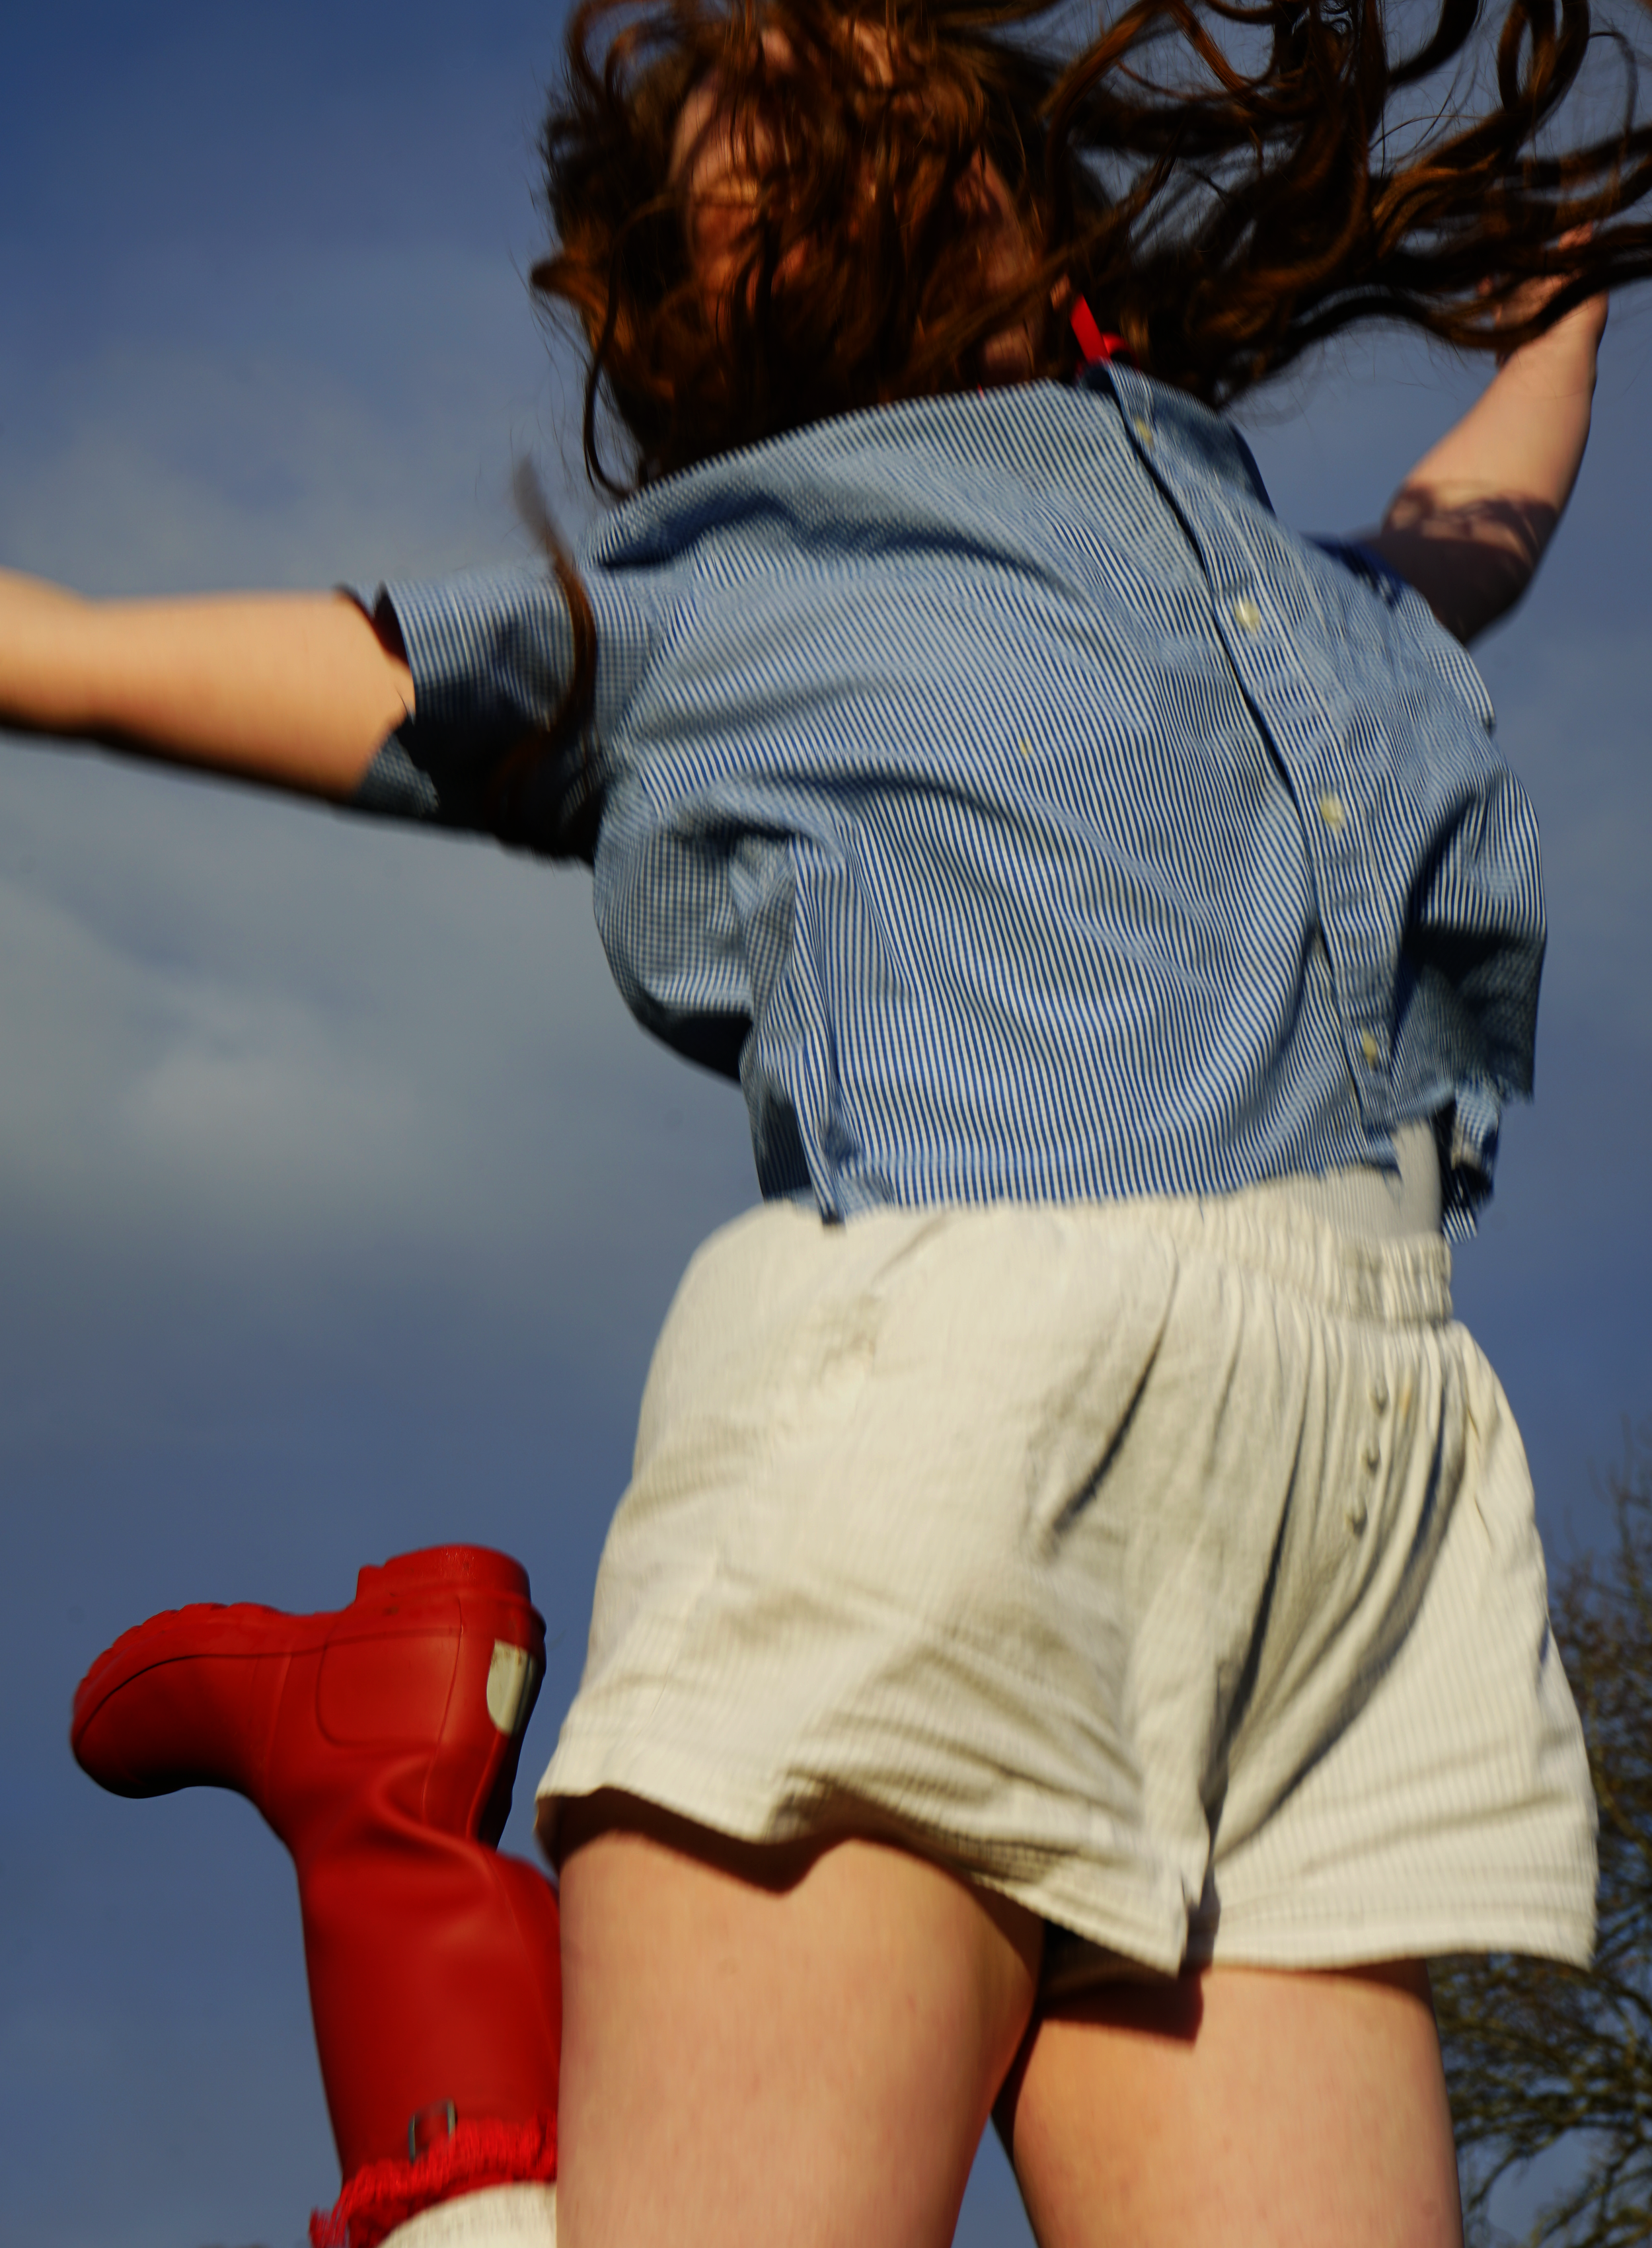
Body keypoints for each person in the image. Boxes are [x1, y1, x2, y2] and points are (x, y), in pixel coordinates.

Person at [23, 0, 1652, 2240]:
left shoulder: (1271, 578)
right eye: (755, 158)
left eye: (863, 92)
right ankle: (394, 1888)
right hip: (954, 1437)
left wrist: (1559, 312)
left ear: (1008, 185)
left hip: (1345, 1540)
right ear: (736, 300)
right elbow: (114, 651)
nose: (826, 111)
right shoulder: (723, 604)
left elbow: (1466, 543)